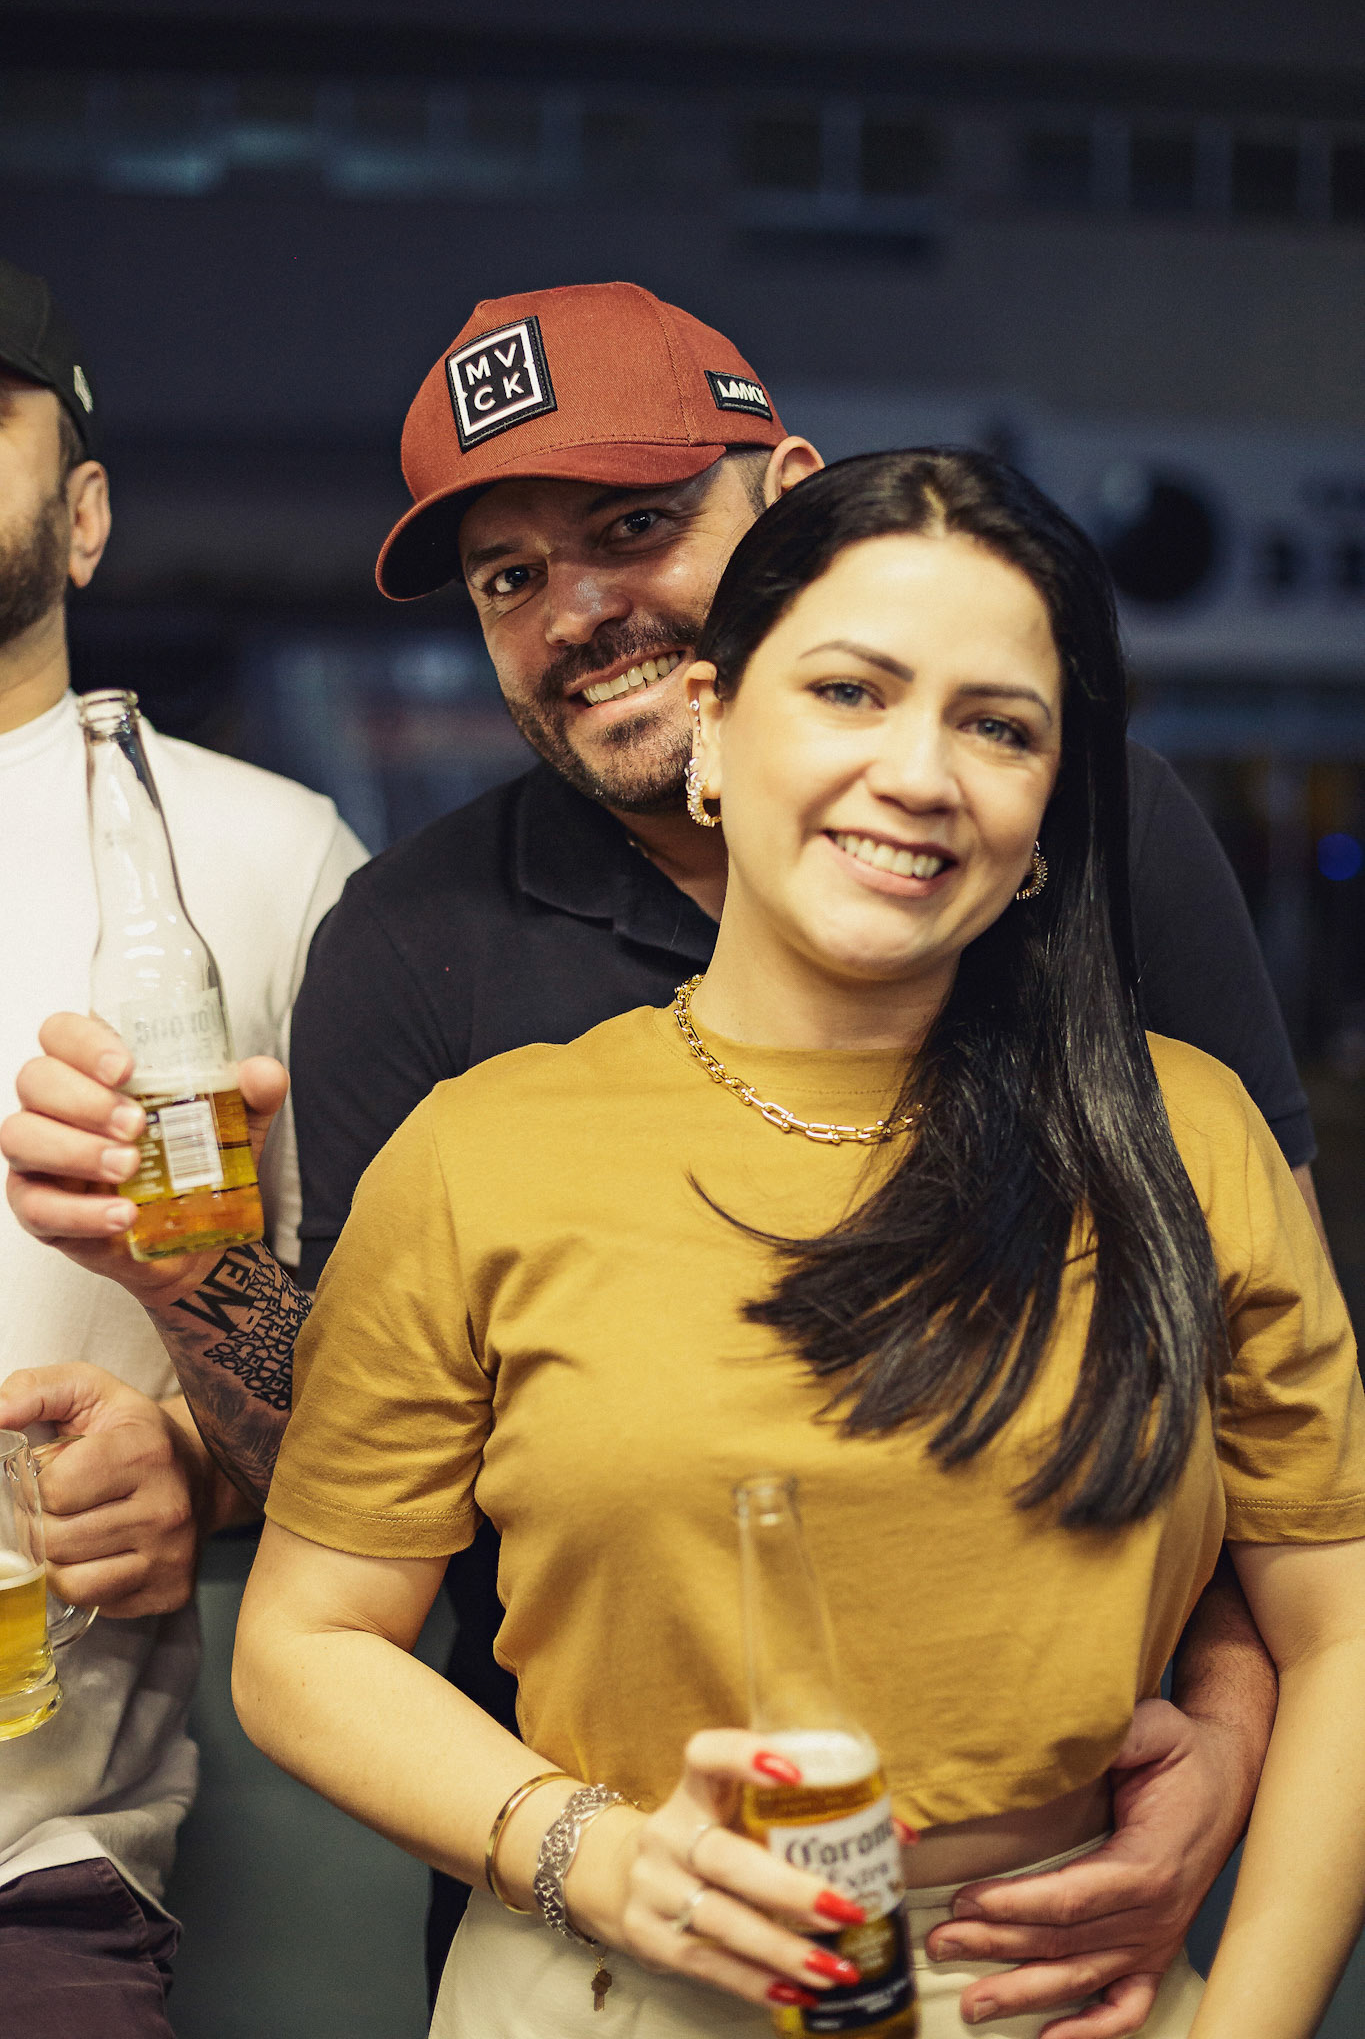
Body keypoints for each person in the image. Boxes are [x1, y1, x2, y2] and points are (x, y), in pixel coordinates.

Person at [1, 285, 1300, 2030]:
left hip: (1047, 1928)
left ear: (791, 502)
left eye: (632, 526)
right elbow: (352, 1489)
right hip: (588, 1879)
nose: (576, 609)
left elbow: (1243, 1403)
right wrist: (190, 1286)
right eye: (507, 578)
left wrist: (1226, 1730)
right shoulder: (423, 961)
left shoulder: (1094, 849)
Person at [0, 258, 367, 2033]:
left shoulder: (262, 861)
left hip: (37, 1872)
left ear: (82, 518)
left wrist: (202, 1472)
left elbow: (376, 1403)